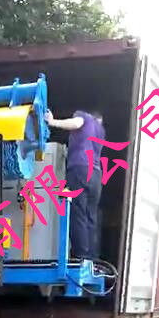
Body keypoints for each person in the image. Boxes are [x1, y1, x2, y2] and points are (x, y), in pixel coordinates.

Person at [45, 109, 105, 260]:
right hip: (96, 174)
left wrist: (52, 122)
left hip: (80, 169)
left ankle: (81, 256)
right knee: (91, 216)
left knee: (78, 213)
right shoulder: (101, 131)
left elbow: (77, 123)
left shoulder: (84, 117)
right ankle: (92, 257)